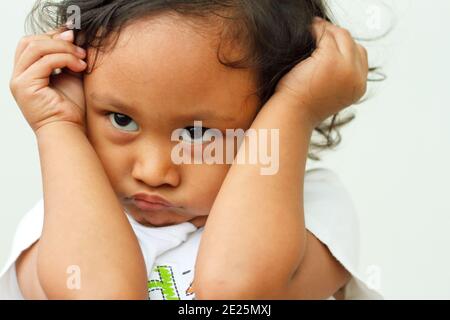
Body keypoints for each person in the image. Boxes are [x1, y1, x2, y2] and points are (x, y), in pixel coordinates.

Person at [1, 0, 381, 299]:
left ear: (270, 118)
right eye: (120, 119)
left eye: (197, 134)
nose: (152, 171)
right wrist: (57, 125)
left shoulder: (313, 212)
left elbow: (235, 293)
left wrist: (297, 105)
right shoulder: (60, 221)